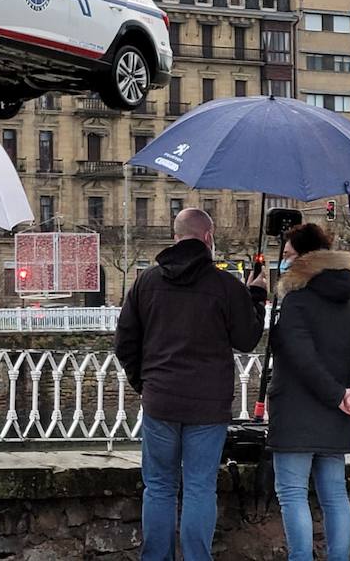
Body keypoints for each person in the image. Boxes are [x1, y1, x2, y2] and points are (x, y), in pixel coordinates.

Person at [115, 207, 270, 561]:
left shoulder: (147, 282)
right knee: (200, 488)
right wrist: (257, 297)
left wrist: (146, 383)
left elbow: (125, 342)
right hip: (207, 406)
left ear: (175, 237)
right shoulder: (225, 286)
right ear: (208, 238)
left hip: (160, 401)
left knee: (158, 487)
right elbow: (247, 339)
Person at [268, 222, 350, 561]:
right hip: (337, 414)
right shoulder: (349, 306)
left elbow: (302, 358)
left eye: (287, 255)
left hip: (297, 414)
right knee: (334, 496)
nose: (283, 261)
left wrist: (336, 395)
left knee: (293, 493)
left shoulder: (297, 303)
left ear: (305, 259)